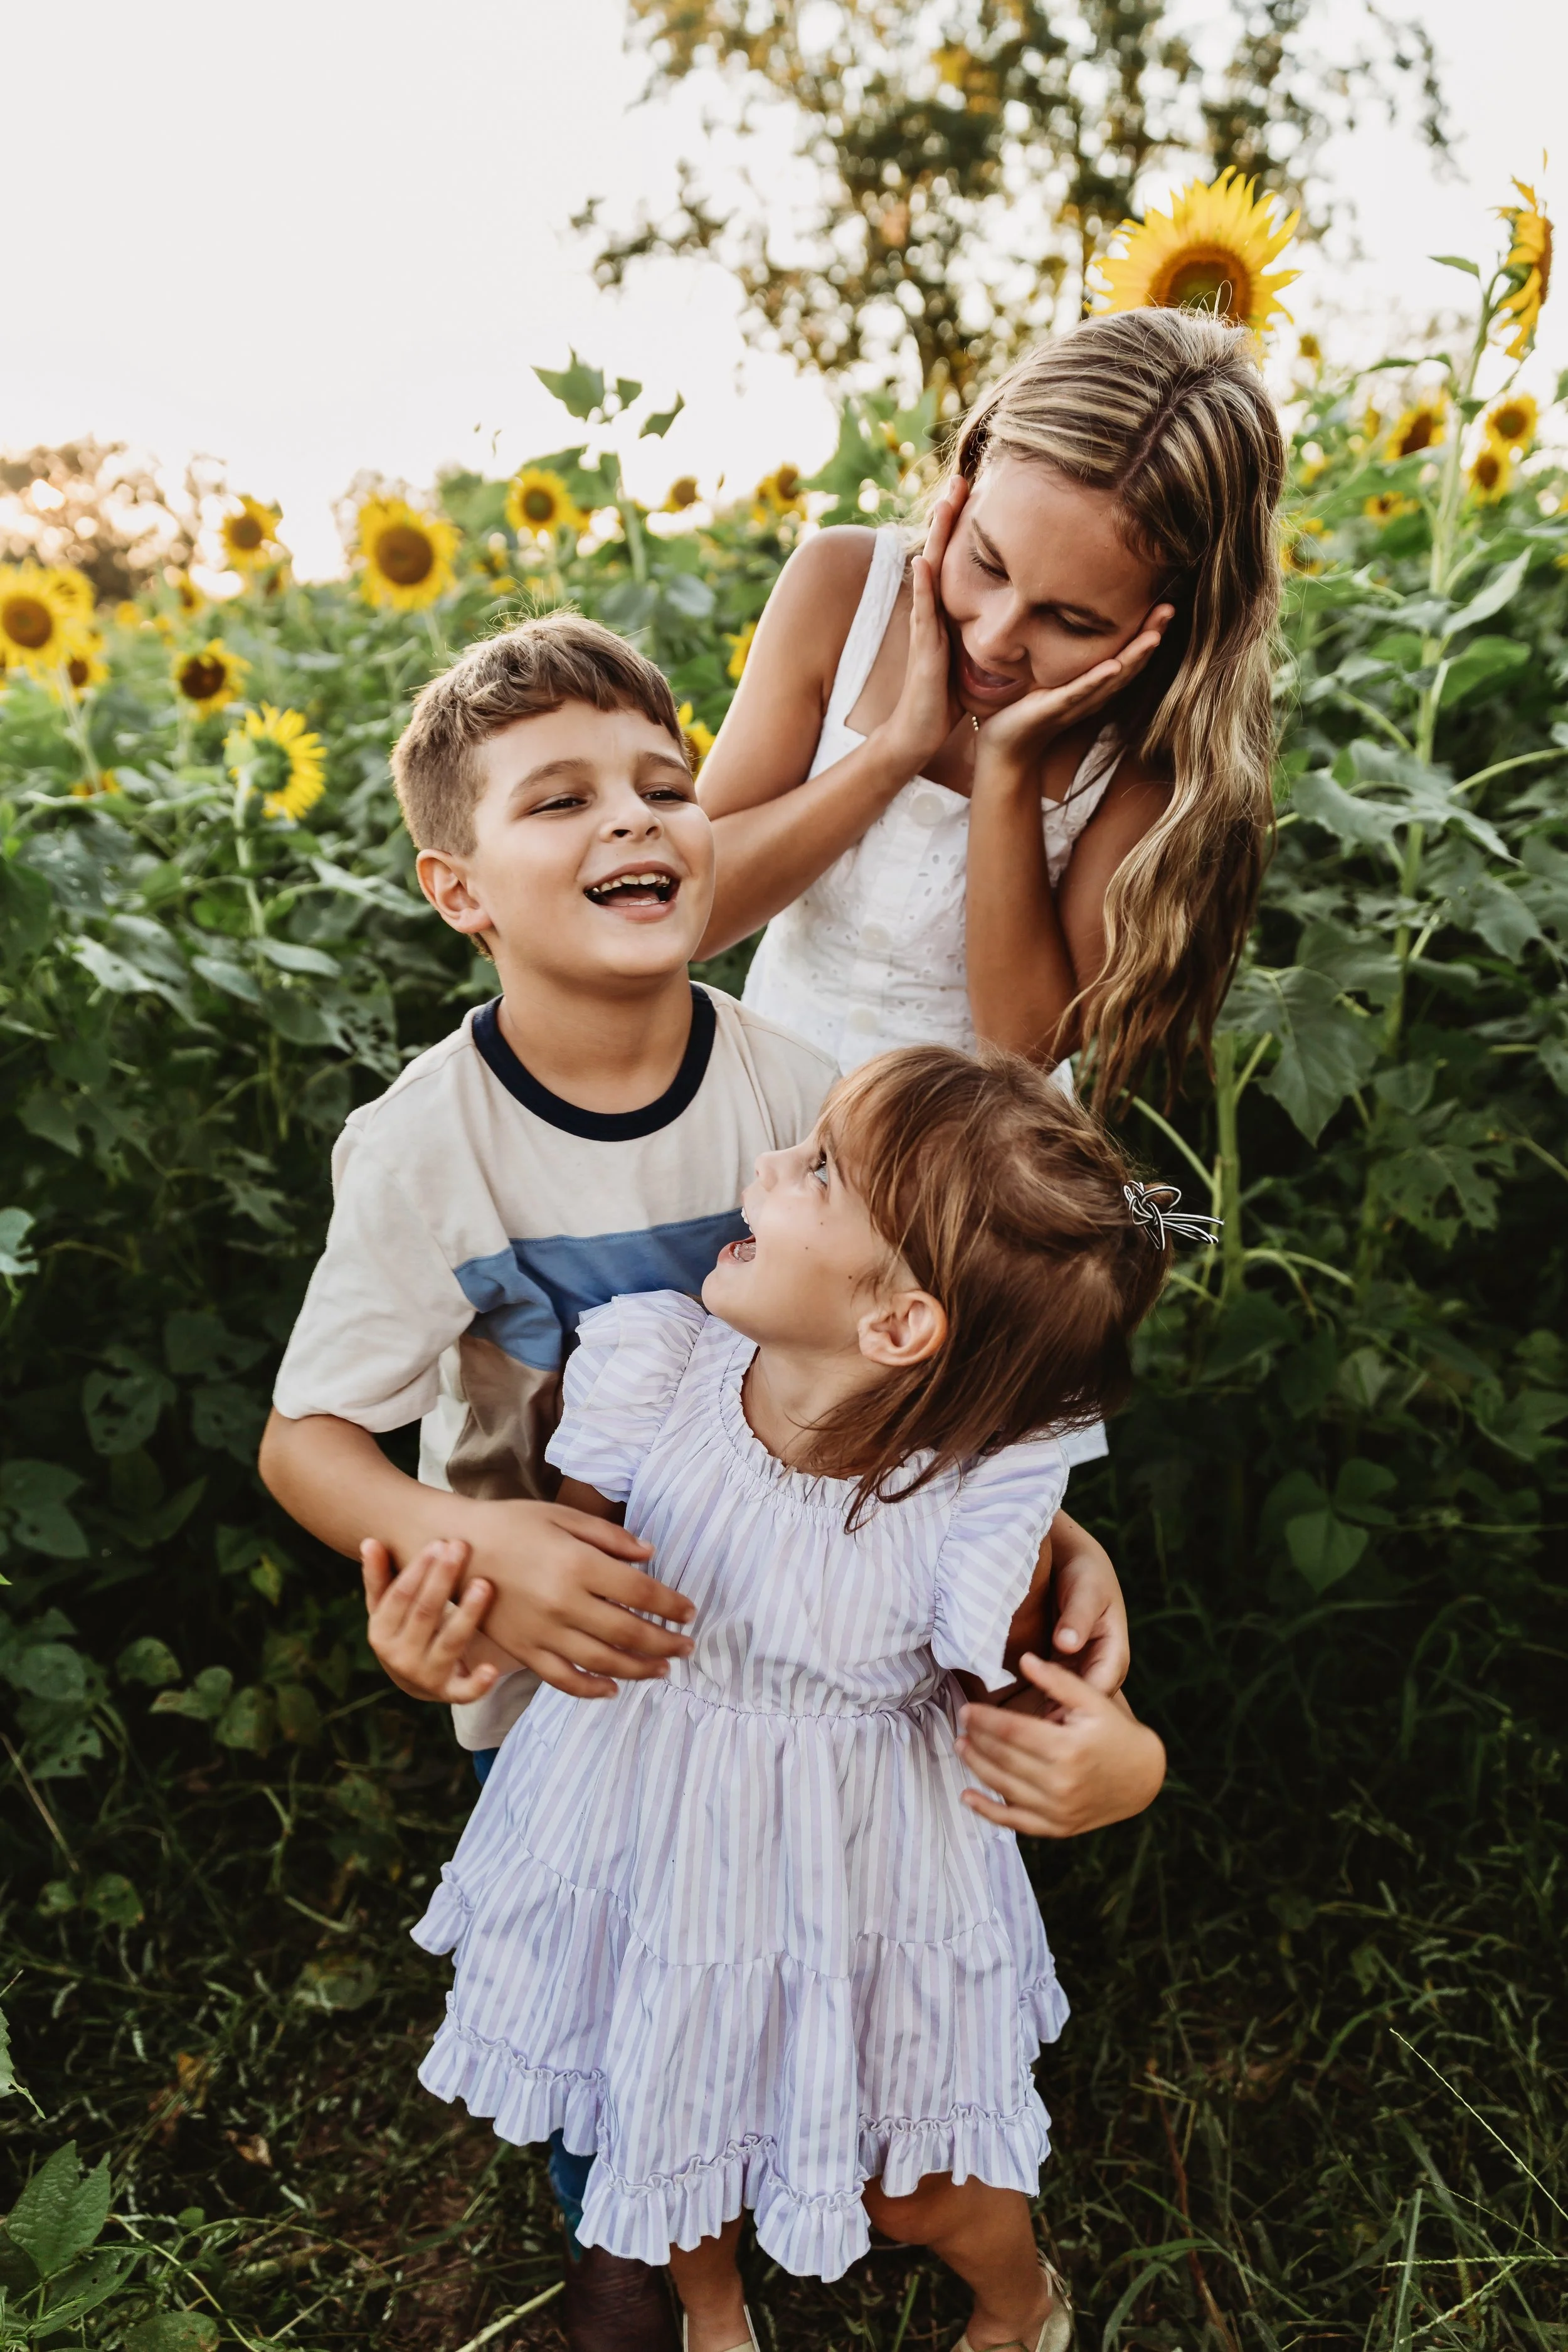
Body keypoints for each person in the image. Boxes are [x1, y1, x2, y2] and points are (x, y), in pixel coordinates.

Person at [258, 615, 1134, 2352]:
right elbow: (308, 1438)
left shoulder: (800, 1096)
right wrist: (456, 1541)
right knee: (615, 1956)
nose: (636, 818)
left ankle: (785, 2184)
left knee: (767, 1953)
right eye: (561, 796)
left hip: (818, 1640)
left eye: (666, 781)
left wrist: (1051, 1520)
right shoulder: (426, 1144)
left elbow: (934, 1359)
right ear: (461, 891)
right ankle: (649, 2234)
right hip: (569, 1640)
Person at [410, 1045, 1177, 2352]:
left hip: (858, 1878)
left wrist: (1125, 1768)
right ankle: (710, 2311)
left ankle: (1017, 2303)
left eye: (816, 1168)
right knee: (668, 2090)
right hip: (654, 1819)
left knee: (915, 2185)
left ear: (893, 1325)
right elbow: (569, 1582)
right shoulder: (653, 1374)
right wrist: (467, 1640)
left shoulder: (969, 1511)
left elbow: (1054, 1692)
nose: (763, 1169)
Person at [697, 307, 1285, 1112]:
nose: (997, 639)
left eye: (1071, 621)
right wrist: (895, 750)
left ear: (1171, 620)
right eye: (986, 562)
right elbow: (693, 912)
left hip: (967, 1180)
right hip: (757, 1117)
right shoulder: (841, 591)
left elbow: (1021, 1050)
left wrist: (1007, 769)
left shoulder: (1146, 757)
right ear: (968, 475)